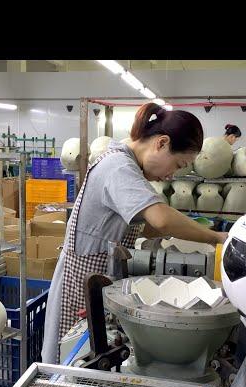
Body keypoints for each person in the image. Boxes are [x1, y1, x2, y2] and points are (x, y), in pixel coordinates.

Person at [41, 103, 228, 364]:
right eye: (177, 164)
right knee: (74, 362)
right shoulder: (119, 168)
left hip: (100, 278)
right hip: (83, 283)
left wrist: (195, 232)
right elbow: (160, 220)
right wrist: (217, 238)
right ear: (161, 143)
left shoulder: (127, 165)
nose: (171, 175)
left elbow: (150, 226)